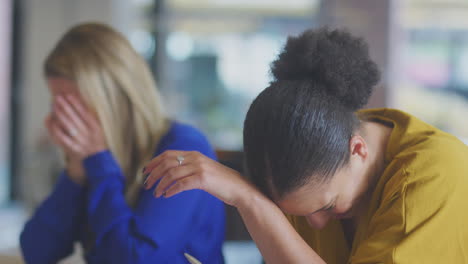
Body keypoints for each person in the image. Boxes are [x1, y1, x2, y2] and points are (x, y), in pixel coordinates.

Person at [142, 28, 468, 263]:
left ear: (358, 150)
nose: (315, 225)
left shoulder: (438, 176)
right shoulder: (314, 161)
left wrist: (251, 202)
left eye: (326, 207)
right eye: (291, 214)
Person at [20, 23, 225, 264]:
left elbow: (135, 258)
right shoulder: (93, 160)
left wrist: (97, 161)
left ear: (114, 99)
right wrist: (75, 174)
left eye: (73, 107)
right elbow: (36, 252)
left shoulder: (183, 148)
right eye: (58, 104)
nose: (64, 119)